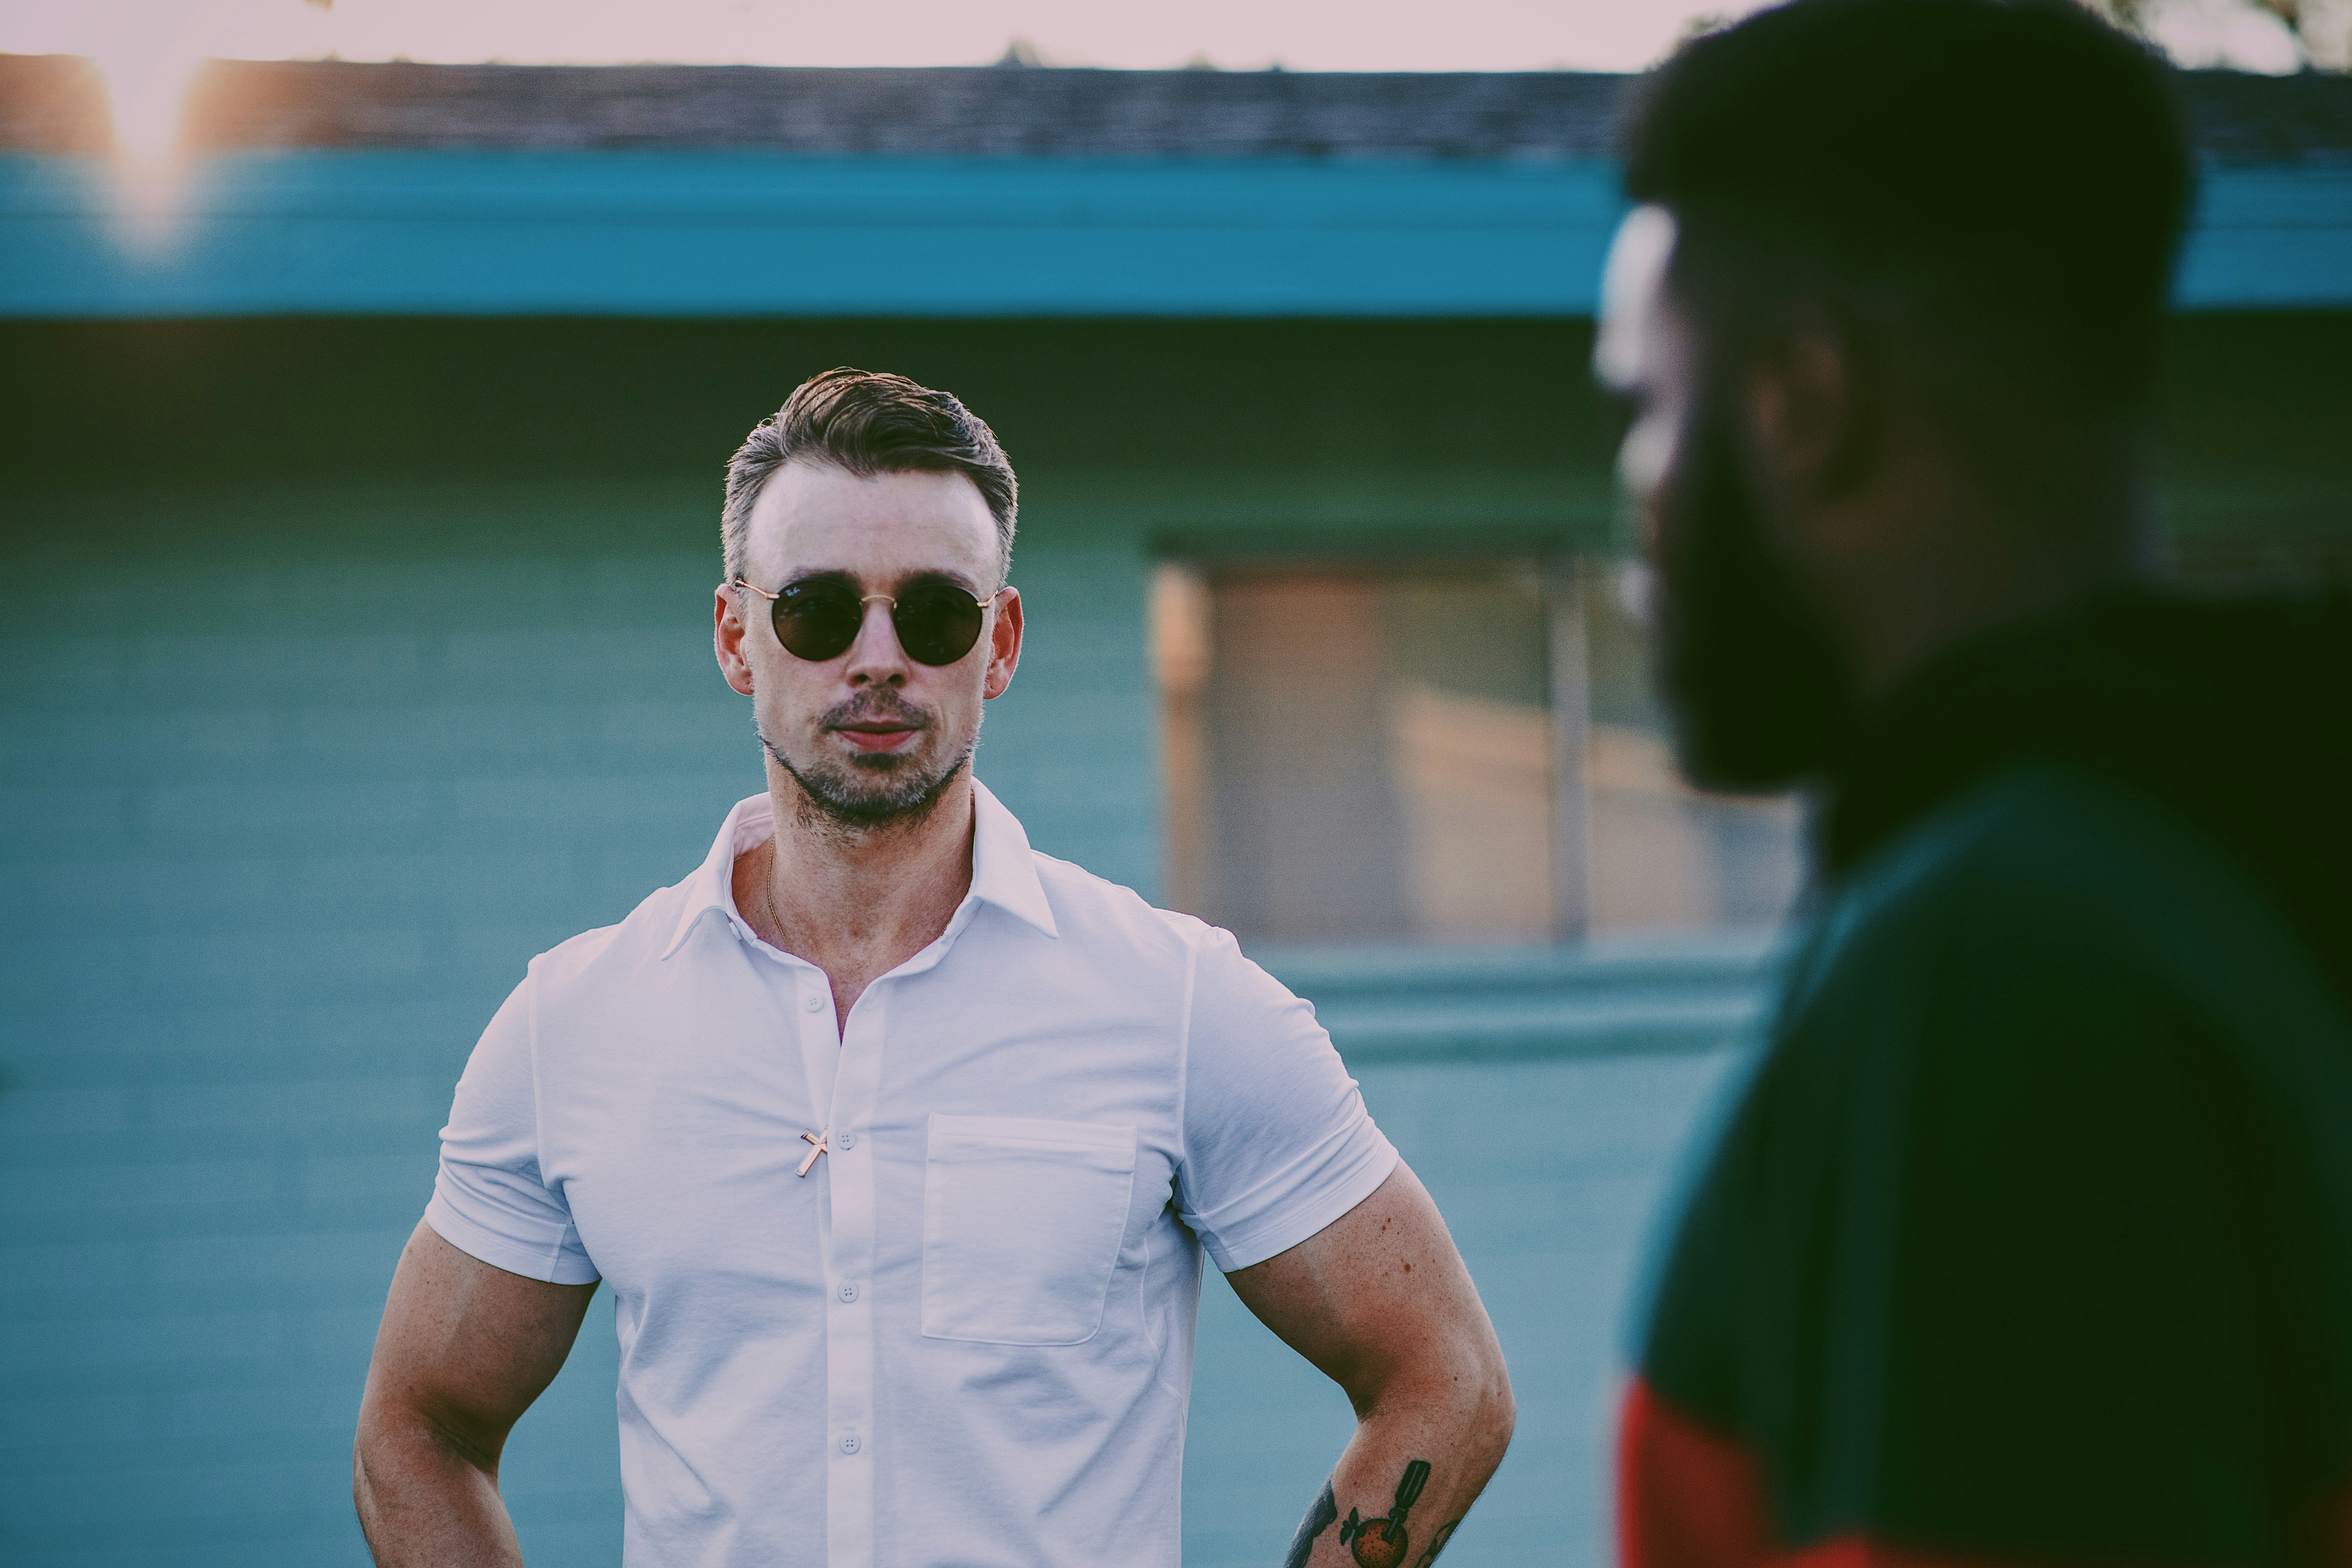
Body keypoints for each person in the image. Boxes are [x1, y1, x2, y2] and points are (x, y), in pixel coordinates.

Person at [351, 368, 1513, 1568]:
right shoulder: (576, 1025)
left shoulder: (1176, 1005)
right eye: (814, 610)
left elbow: (1451, 1380)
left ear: (997, 645)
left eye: (935, 615)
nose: (877, 659)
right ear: (737, 637)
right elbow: (419, 1429)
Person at [1594, 1, 2352, 1563]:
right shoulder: (2237, 857)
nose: (1641, 512)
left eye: (1652, 407)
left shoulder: (2002, 961)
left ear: (1806, 399)